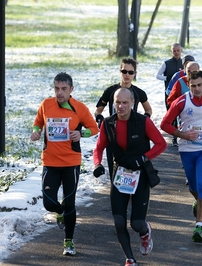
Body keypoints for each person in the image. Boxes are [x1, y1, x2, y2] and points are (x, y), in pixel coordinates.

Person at [93, 88, 167, 266]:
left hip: (140, 174)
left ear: (133, 103)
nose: (121, 106)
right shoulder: (108, 123)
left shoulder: (142, 122)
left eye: (125, 102)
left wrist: (144, 158)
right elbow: (98, 148)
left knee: (136, 223)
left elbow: (161, 144)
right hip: (120, 175)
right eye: (118, 102)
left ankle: (145, 231)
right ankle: (130, 259)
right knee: (119, 221)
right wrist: (97, 164)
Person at [30, 72, 99, 256]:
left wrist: (81, 134)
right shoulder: (46, 105)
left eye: (63, 89)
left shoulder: (79, 109)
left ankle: (68, 241)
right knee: (49, 202)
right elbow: (37, 123)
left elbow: (94, 128)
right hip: (50, 162)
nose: (59, 93)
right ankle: (59, 211)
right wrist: (36, 132)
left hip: (71, 163)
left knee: (71, 203)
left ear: (71, 89)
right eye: (56, 89)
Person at [160, 70, 202, 243]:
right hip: (187, 150)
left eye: (199, 85)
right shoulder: (181, 101)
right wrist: (182, 135)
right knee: (193, 186)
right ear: (188, 85)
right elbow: (164, 124)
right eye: (193, 86)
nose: (197, 89)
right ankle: (199, 202)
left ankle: (199, 226)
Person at [94, 57, 152, 179]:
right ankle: (116, 193)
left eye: (130, 72)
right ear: (120, 72)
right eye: (124, 71)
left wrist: (143, 121)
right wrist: (100, 120)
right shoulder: (110, 91)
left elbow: (148, 110)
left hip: (133, 134)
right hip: (113, 134)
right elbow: (98, 111)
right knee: (114, 171)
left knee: (133, 171)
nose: (127, 75)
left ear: (135, 74)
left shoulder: (139, 93)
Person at [165, 54, 195, 146]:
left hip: (195, 103)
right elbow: (169, 90)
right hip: (180, 103)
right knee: (176, 119)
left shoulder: (200, 75)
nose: (188, 65)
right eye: (186, 64)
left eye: (191, 63)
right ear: (183, 65)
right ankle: (175, 137)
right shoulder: (177, 76)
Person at [155, 43, 183, 110]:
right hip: (169, 92)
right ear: (171, 51)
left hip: (182, 92)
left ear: (181, 50)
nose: (176, 52)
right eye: (174, 51)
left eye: (178, 50)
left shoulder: (184, 63)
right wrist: (167, 78)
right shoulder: (166, 63)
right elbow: (157, 75)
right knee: (170, 112)